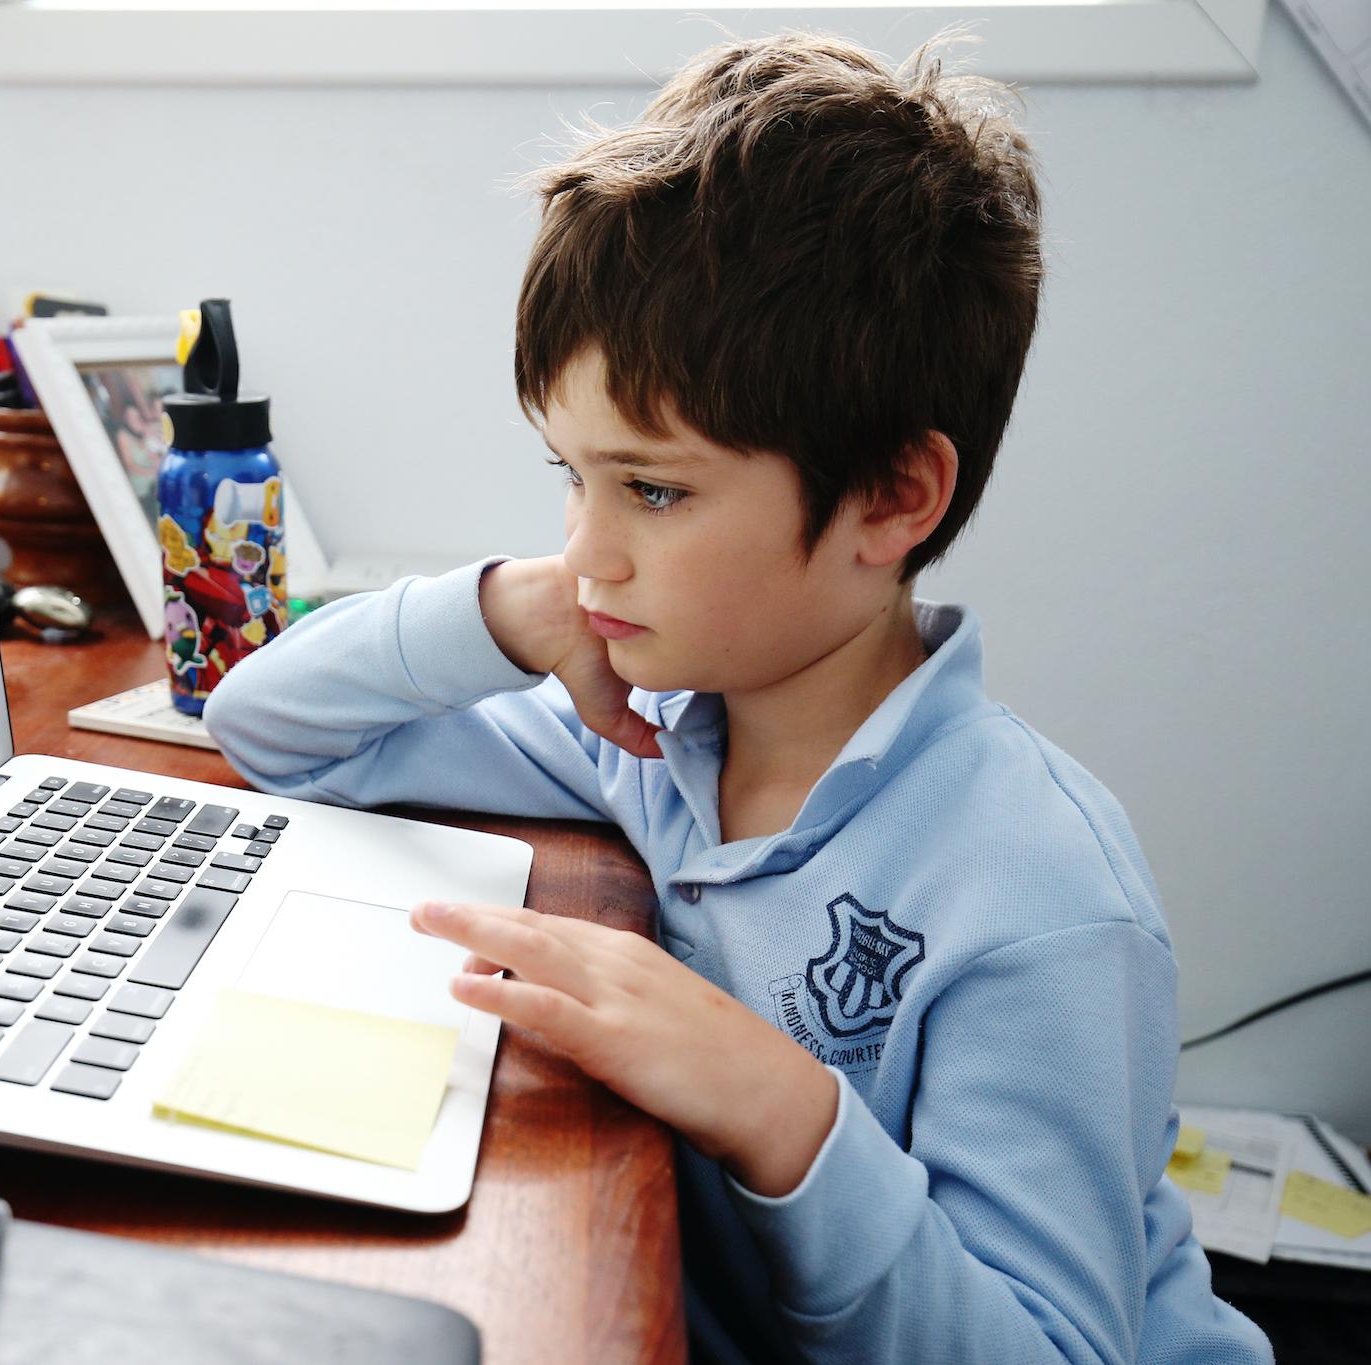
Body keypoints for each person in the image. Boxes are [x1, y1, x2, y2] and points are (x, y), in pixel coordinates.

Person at [202, 30, 1271, 1364]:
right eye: (569, 476)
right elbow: (265, 729)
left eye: (654, 489)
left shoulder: (1043, 898)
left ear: (893, 497)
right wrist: (505, 609)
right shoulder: (647, 732)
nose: (592, 550)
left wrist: (782, 1110)